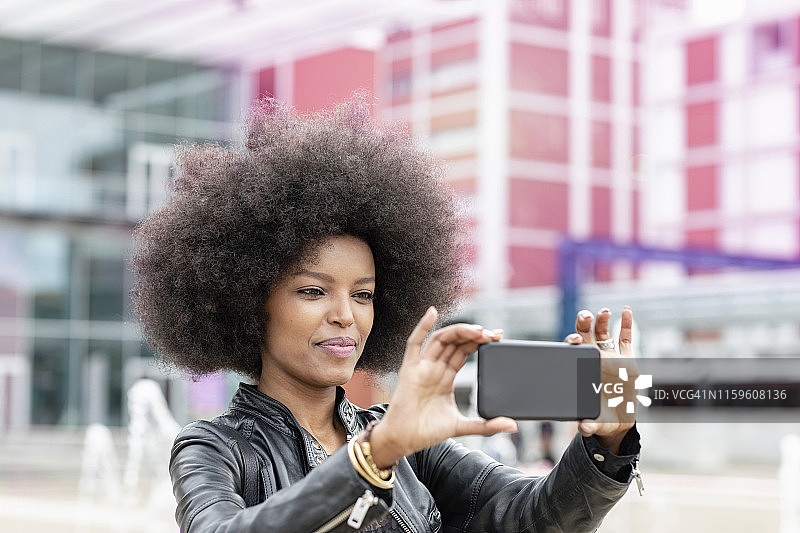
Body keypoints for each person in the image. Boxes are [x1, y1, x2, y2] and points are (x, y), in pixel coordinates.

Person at [131, 96, 641, 533]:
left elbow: (532, 517)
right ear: (248, 302)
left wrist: (610, 441)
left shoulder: (409, 441)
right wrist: (371, 457)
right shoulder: (216, 449)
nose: (344, 316)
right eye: (313, 291)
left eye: (363, 294)